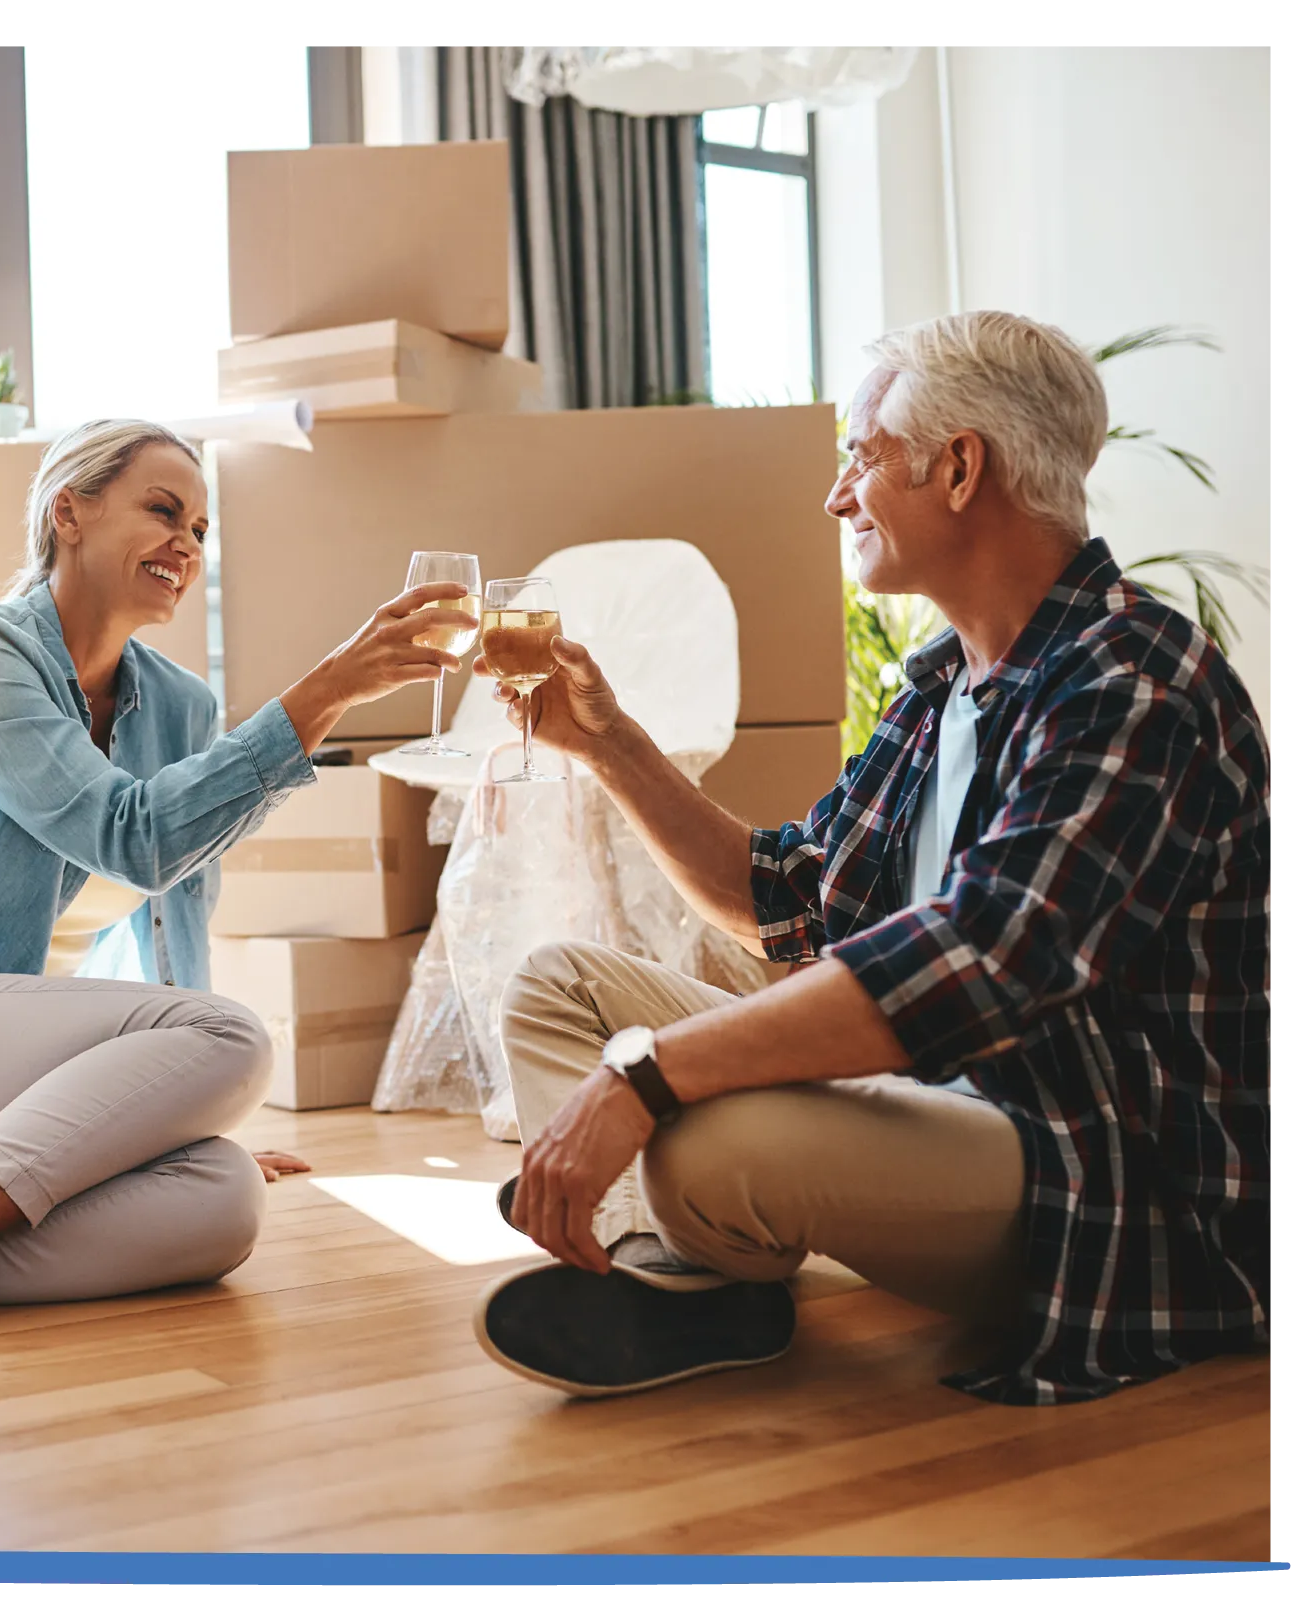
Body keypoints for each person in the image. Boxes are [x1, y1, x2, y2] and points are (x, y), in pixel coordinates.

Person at [473, 310, 1274, 1407]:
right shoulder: (940, 684)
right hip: (932, 1092)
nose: (835, 494)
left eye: (858, 455)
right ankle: (688, 1277)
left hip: (1094, 1162)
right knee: (557, 987)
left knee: (705, 1149)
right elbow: (784, 902)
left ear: (956, 468)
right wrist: (603, 740)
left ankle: (699, 1245)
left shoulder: (1130, 678)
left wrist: (643, 1076)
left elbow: (984, 956)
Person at [0, 418, 473, 1375]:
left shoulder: (182, 706)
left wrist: (183, 1112)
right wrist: (329, 691)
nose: (188, 545)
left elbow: (176, 906)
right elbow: (132, 836)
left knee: (222, 1194)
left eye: (201, 530)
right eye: (163, 511)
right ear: (67, 512)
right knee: (234, 1035)